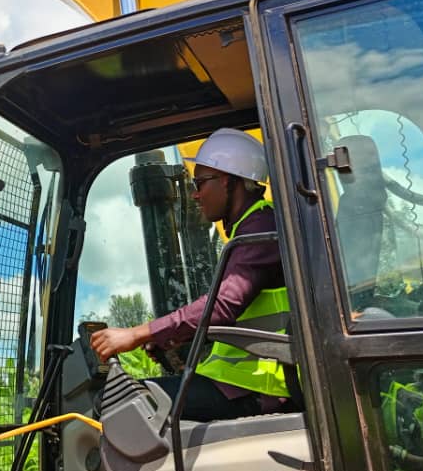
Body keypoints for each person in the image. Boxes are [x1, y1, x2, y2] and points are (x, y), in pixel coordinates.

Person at [89, 128, 295, 421]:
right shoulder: (250, 229)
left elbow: (222, 305)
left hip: (254, 389)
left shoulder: (259, 230)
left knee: (116, 405)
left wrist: (137, 334)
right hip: (241, 385)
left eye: (200, 183)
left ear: (227, 180)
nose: (195, 194)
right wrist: (175, 338)